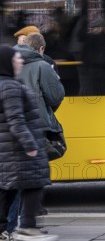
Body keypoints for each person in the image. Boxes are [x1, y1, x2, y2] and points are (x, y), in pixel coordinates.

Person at [0, 45, 58, 241]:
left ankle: (8, 229)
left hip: (9, 149)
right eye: (16, 59)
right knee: (33, 184)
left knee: (7, 190)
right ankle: (27, 227)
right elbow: (15, 118)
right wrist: (30, 144)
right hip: (16, 150)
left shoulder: (6, 84)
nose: (20, 62)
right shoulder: (10, 86)